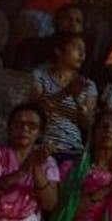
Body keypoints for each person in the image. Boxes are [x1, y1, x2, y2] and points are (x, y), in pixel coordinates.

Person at [29, 31, 97, 161]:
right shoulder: (40, 76)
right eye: (76, 47)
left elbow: (88, 126)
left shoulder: (88, 85)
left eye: (84, 50)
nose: (82, 54)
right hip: (43, 146)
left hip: (73, 149)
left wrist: (77, 99)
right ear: (59, 51)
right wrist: (66, 92)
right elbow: (34, 112)